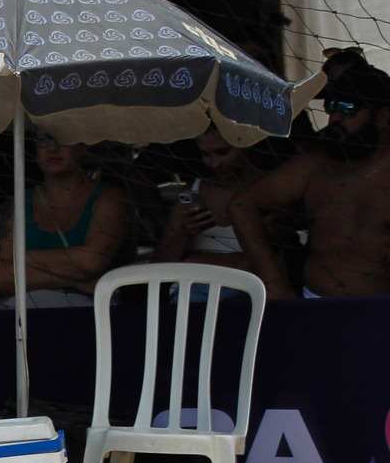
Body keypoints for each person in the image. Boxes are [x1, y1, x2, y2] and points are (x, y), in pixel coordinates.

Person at [229, 63, 390, 299]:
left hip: (381, 308)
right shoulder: (315, 161)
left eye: (347, 108)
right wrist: (273, 282)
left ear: (383, 116)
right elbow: (241, 204)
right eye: (331, 107)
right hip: (315, 302)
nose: (335, 118)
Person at [0, 132, 131, 307]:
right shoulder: (19, 203)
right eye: (43, 140)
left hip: (87, 311)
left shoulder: (110, 197)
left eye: (63, 138)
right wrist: (75, 280)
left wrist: (20, 258)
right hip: (16, 311)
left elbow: (91, 262)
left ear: (82, 147)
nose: (52, 148)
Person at [152, 128, 273, 275]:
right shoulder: (193, 192)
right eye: (206, 154)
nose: (215, 163)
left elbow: (267, 260)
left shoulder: (269, 189)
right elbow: (159, 265)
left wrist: (194, 261)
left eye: (223, 152)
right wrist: (184, 234)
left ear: (245, 144)